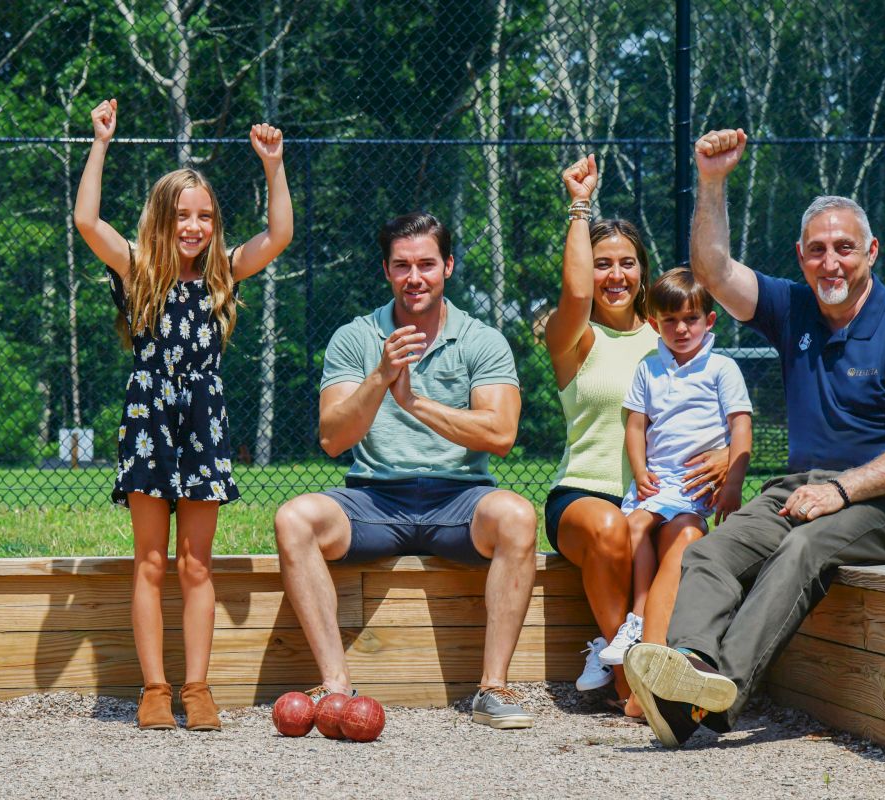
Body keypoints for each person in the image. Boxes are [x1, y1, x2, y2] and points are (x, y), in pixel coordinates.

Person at [625, 128, 885, 748]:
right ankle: (687, 674)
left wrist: (842, 489)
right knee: (709, 552)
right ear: (800, 256)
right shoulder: (793, 307)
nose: (830, 262)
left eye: (844, 249)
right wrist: (713, 182)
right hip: (799, 489)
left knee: (801, 551)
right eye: (816, 251)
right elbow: (712, 269)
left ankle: (720, 692)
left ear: (871, 252)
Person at [73, 98, 293, 731]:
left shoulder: (224, 272)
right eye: (180, 216)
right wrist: (100, 143)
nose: (193, 226)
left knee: (197, 563)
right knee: (150, 560)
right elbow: (87, 221)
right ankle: (155, 688)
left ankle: (197, 687)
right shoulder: (138, 270)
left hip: (204, 418)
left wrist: (272, 166)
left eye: (204, 216)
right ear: (160, 222)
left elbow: (278, 235)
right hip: (148, 417)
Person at [274, 212, 539, 729]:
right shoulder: (357, 337)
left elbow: (500, 435)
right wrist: (381, 377)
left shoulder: (482, 339)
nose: (414, 276)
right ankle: (335, 688)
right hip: (374, 498)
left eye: (426, 264)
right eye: (402, 266)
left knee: (518, 516)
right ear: (386, 271)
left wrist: (414, 402)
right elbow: (333, 439)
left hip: (459, 499)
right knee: (293, 518)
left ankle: (492, 688)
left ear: (449, 267)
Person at [541, 155, 731, 705]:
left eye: (626, 263)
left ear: (643, 273)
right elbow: (575, 295)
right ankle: (626, 677)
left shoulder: (669, 339)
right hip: (587, 495)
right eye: (602, 264)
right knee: (607, 526)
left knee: (688, 536)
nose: (615, 275)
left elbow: (708, 404)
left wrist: (723, 454)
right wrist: (580, 206)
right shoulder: (572, 338)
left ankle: (659, 670)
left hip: (663, 494)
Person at [606, 269, 752, 672]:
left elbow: (741, 424)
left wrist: (734, 484)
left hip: (691, 484)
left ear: (710, 321)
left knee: (636, 527)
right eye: (669, 320)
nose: (681, 329)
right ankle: (640, 626)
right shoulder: (649, 368)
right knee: (636, 533)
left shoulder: (722, 369)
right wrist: (639, 471)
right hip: (656, 483)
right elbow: (636, 426)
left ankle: (636, 620)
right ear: (655, 323)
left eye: (691, 318)